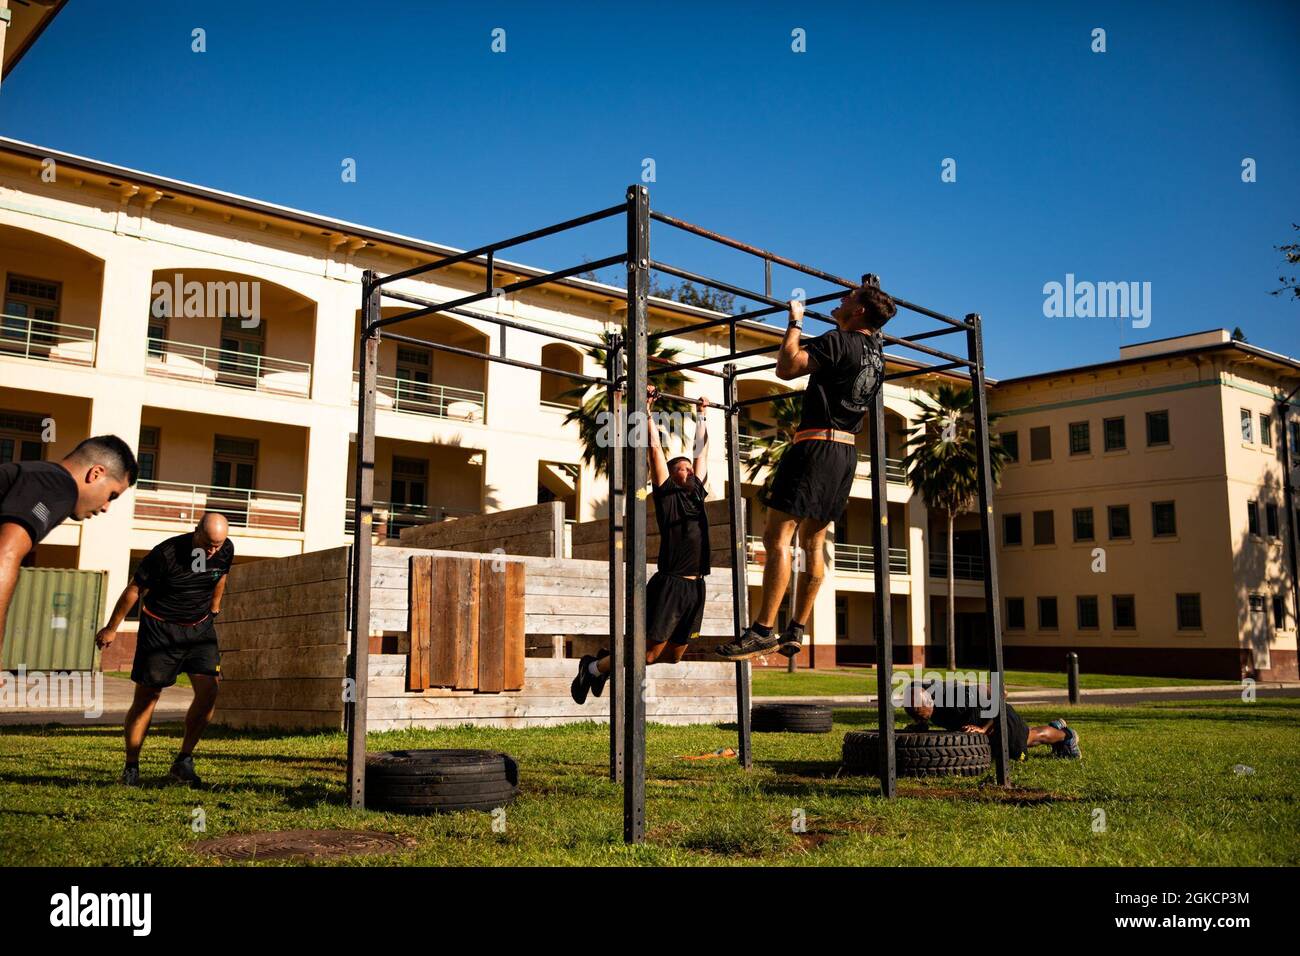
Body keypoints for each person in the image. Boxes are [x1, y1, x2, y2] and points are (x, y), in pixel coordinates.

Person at [717, 276, 894, 661]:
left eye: (848, 296)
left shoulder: (836, 339)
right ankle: (796, 628)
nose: (841, 299)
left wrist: (795, 321)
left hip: (814, 446)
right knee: (813, 543)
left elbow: (787, 368)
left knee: (777, 539)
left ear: (858, 310)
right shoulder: (877, 355)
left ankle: (762, 630)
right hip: (845, 454)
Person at [571, 387, 711, 704]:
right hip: (671, 584)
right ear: (671, 476)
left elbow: (702, 453)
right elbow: (654, 451)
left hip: (696, 588)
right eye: (682, 468)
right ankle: (593, 668)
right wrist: (647, 411)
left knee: (674, 656)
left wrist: (702, 416)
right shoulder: (667, 496)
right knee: (647, 655)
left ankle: (611, 657)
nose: (689, 470)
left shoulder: (697, 494)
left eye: (690, 468)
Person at [96, 513, 234, 787]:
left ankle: (183, 760)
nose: (213, 550)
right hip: (161, 628)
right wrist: (112, 627)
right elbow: (134, 590)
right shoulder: (166, 553)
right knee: (148, 697)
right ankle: (131, 767)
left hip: (199, 628)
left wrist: (215, 606)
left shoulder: (225, 548)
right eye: (208, 544)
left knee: (209, 692)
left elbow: (221, 576)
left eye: (217, 545)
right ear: (196, 531)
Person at [0, 436, 139, 685]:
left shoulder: (37, 476)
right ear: (96, 473)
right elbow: (6, 554)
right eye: (112, 495)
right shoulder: (58, 485)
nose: (106, 507)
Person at [901, 679, 1081, 760]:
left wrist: (984, 728)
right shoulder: (916, 691)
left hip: (997, 716)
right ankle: (1057, 728)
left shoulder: (958, 698)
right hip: (977, 719)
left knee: (1029, 737)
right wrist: (920, 724)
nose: (921, 718)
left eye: (923, 715)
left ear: (931, 703)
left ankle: (1066, 736)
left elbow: (1000, 692)